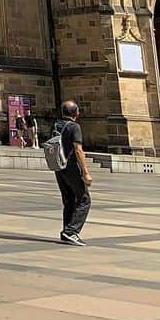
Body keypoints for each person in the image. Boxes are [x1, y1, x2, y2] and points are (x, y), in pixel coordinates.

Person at [53, 100, 93, 245]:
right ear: (76, 113)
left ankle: (66, 232)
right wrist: (86, 172)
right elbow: (78, 149)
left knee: (69, 199)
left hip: (59, 165)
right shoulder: (74, 127)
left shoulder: (57, 125)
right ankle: (71, 231)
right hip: (70, 166)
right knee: (84, 200)